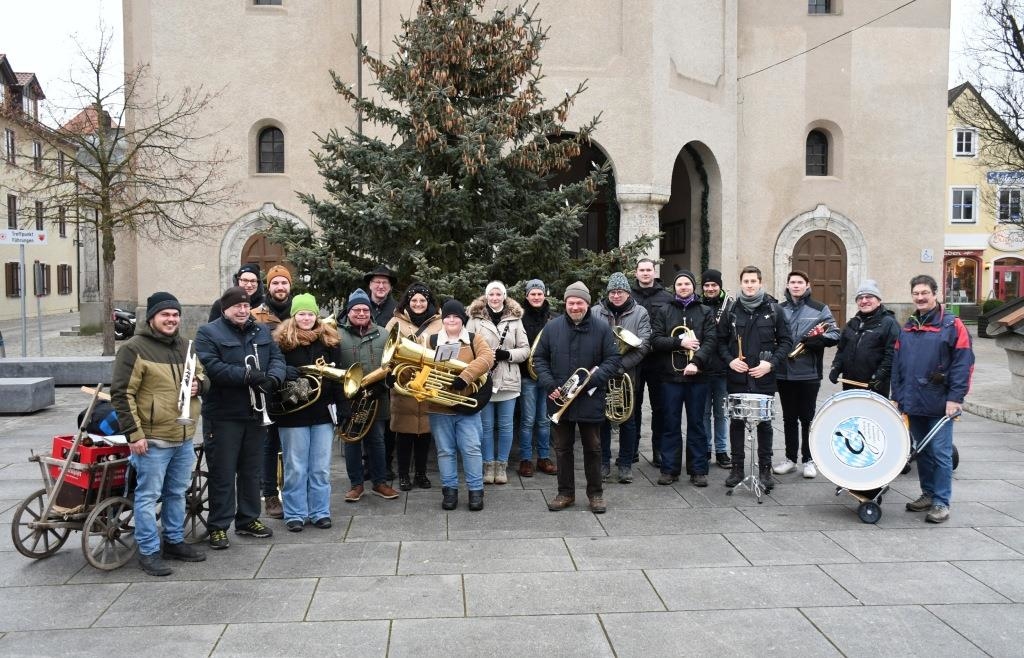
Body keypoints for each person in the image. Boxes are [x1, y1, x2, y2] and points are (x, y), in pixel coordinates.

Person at [111, 292, 209, 576]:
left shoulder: (187, 346)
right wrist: (134, 434)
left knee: (177, 492)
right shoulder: (133, 349)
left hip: (183, 434)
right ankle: (149, 550)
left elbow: (203, 376)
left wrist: (200, 386)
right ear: (151, 318)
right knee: (148, 496)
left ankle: (174, 541)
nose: (171, 319)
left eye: (175, 314)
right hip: (152, 439)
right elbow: (121, 394)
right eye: (165, 315)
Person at [195, 285, 286, 549]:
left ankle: (248, 519)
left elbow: (277, 358)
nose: (243, 311)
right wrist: (246, 376)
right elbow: (211, 367)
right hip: (223, 415)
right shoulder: (208, 332)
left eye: (246, 306)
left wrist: (273, 378)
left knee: (251, 470)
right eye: (238, 307)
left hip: (256, 414)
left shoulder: (261, 330)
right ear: (225, 309)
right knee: (223, 473)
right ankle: (218, 526)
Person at [892, 274, 974, 524]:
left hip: (940, 402)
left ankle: (941, 502)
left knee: (941, 452)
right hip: (913, 401)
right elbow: (898, 364)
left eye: (924, 292)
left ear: (935, 294)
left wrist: (955, 398)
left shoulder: (952, 325)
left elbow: (963, 363)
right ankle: (928, 494)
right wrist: (897, 396)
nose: (920, 297)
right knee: (923, 451)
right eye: (916, 293)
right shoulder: (908, 326)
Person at [533, 281, 621, 514]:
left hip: (590, 398)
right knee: (562, 448)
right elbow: (539, 359)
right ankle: (565, 493)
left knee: (593, 448)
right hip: (559, 398)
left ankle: (596, 494)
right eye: (571, 302)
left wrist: (590, 381)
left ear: (587, 304)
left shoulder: (602, 328)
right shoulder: (552, 328)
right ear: (565, 303)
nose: (575, 307)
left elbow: (613, 360)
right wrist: (549, 384)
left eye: (579, 302)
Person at [272, 294, 343, 531]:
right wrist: (286, 371)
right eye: (301, 313)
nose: (306, 318)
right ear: (294, 315)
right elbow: (273, 371)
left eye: (310, 314)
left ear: (316, 316)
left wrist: (341, 407)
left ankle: (320, 511)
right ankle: (295, 513)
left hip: (322, 413)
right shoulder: (281, 342)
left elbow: (338, 378)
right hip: (293, 414)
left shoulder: (330, 341)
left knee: (321, 467)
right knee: (295, 467)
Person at [717, 266, 792, 491]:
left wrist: (770, 364)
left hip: (763, 377)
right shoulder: (731, 310)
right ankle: (737, 468)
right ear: (741, 283)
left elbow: (787, 342)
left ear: (760, 283)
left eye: (753, 281)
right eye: (746, 281)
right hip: (737, 377)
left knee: (765, 425)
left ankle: (765, 470)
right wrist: (730, 360)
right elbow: (720, 341)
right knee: (737, 423)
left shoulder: (774, 310)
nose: (749, 285)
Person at [425, 299, 494, 511]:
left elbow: (487, 358)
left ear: (462, 319)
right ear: (443, 319)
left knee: (471, 449)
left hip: (467, 405)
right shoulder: (431, 340)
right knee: (445, 451)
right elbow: (420, 367)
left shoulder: (474, 339)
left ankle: (475, 491)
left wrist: (465, 376)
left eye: (456, 316)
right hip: (439, 406)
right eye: (447, 316)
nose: (452, 319)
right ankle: (450, 491)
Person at [651, 271, 717, 487]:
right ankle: (669, 469)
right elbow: (656, 340)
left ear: (693, 286)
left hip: (698, 376)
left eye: (687, 283)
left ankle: (698, 470)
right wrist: (680, 343)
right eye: (679, 284)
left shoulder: (705, 311)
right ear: (674, 287)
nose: (683, 287)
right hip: (670, 377)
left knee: (697, 424)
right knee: (670, 423)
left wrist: (695, 362)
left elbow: (710, 341)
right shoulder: (664, 310)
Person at [773, 271, 839, 479]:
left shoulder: (820, 309)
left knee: (807, 418)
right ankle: (790, 459)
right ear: (787, 285)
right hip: (784, 373)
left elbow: (835, 332)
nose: (796, 285)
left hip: (808, 372)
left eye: (800, 282)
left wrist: (819, 341)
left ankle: (809, 460)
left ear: (807, 285)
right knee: (788, 418)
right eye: (792, 282)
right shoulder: (779, 309)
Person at [336, 289, 399, 504]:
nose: (361, 313)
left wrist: (386, 383)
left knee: (378, 442)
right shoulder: (336, 334)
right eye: (356, 309)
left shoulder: (382, 333)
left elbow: (391, 364)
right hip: (349, 398)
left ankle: (380, 482)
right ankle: (356, 485)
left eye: (365, 309)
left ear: (370, 312)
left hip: (376, 397)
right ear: (348, 312)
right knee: (352, 442)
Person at [467, 281, 530, 485]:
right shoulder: (475, 319)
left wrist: (507, 354)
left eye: (498, 294)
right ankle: (488, 464)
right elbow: (467, 348)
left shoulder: (515, 319)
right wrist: (484, 358)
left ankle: (501, 465)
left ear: (504, 296)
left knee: (505, 426)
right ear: (486, 297)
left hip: (508, 379)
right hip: (484, 379)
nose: (495, 298)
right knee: (485, 427)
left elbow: (525, 350)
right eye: (491, 294)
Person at [594, 272, 650, 484]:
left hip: (628, 375)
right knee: (602, 420)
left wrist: (620, 365)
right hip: (601, 375)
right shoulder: (596, 311)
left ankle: (625, 464)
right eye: (613, 292)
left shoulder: (640, 313)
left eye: (620, 292)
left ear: (628, 292)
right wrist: (604, 368)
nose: (616, 295)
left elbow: (644, 345)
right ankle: (603, 462)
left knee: (628, 420)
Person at [385, 282, 443, 491]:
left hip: (429, 383)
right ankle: (403, 475)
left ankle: (421, 473)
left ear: (429, 303)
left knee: (425, 434)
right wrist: (391, 374)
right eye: (414, 300)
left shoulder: (440, 322)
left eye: (422, 300)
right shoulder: (395, 322)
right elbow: (387, 352)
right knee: (404, 434)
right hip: (404, 384)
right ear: (407, 302)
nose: (418, 304)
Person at [252, 264, 293, 521]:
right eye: (275, 283)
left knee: (293, 444)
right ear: (269, 286)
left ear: (290, 286)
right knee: (270, 445)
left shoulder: (300, 310)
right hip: (268, 386)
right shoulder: (256, 315)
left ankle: (293, 492)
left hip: (295, 387)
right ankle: (270, 494)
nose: (280, 287)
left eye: (284, 283)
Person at [630, 258, 674, 466]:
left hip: (658, 360)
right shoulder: (628, 295)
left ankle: (658, 449)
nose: (646, 273)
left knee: (660, 407)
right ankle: (631, 449)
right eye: (642, 270)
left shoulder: (666, 297)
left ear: (654, 272)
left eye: (649, 270)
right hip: (634, 359)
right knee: (633, 406)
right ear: (636, 273)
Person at [829, 279, 900, 397]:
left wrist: (879, 376)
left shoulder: (889, 323)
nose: (864, 301)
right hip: (849, 384)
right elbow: (842, 349)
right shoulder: (852, 323)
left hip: (875, 386)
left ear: (878, 301)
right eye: (860, 298)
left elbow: (892, 354)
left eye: (869, 297)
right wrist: (836, 367)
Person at [517, 279, 558, 477]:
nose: (536, 297)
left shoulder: (553, 318)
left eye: (539, 293)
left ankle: (543, 457)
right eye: (532, 294)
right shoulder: (519, 318)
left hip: (548, 377)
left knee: (544, 420)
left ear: (544, 295)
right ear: (527, 296)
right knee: (527, 420)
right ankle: (525, 459)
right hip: (527, 376)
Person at [363, 263, 400, 478]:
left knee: (387, 420)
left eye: (384, 283)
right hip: (366, 369)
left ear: (389, 287)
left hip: (388, 370)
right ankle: (367, 463)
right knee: (365, 415)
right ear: (370, 284)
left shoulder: (396, 309)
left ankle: (386, 463)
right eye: (376, 282)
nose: (380, 286)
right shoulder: (359, 306)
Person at [700, 269, 733, 469]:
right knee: (703, 413)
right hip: (702, 367)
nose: (710, 288)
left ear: (719, 286)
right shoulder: (698, 304)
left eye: (714, 285)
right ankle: (705, 449)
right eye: (707, 285)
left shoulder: (729, 305)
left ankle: (721, 450)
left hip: (722, 368)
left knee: (722, 413)